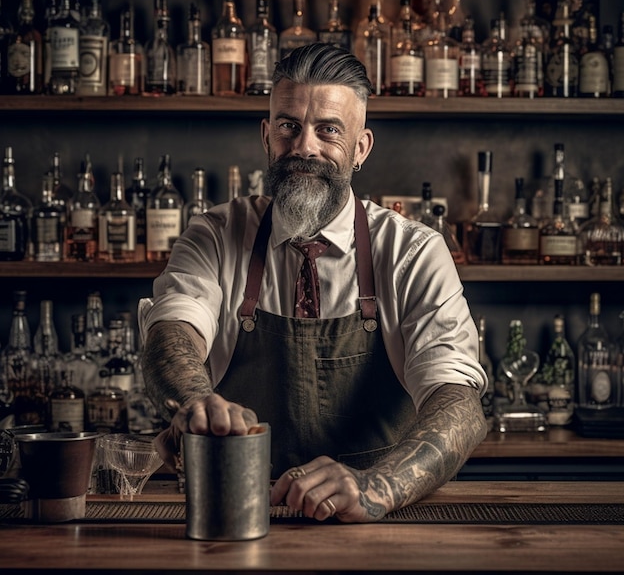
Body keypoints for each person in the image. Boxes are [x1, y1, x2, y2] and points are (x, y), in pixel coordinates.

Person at [138, 42, 487, 524]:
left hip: (378, 522)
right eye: (289, 126)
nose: (304, 146)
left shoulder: (413, 252)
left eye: (328, 130)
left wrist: (377, 487)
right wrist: (198, 405)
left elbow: (459, 405)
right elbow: (172, 331)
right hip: (240, 511)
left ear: (361, 147)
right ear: (267, 136)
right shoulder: (216, 235)